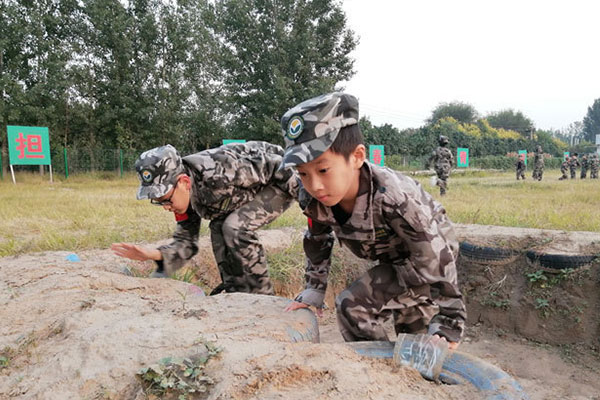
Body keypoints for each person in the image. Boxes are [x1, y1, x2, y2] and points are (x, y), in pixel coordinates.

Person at [281, 93, 466, 350]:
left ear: (357, 157)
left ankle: (381, 371)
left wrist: (450, 321)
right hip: (394, 258)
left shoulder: (394, 198)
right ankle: (390, 374)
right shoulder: (311, 197)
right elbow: (317, 238)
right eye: (302, 173)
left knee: (353, 306)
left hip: (430, 255)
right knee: (412, 338)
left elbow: (435, 257)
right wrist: (314, 288)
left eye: (323, 170)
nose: (315, 185)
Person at [111, 141, 298, 295]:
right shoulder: (183, 195)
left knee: (234, 227)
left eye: (166, 200)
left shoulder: (218, 172)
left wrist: (311, 202)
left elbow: (278, 165)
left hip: (279, 178)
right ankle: (235, 290)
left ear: (184, 182)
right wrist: (153, 254)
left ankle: (263, 295)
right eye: (158, 202)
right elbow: (186, 244)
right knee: (218, 226)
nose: (166, 207)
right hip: (244, 193)